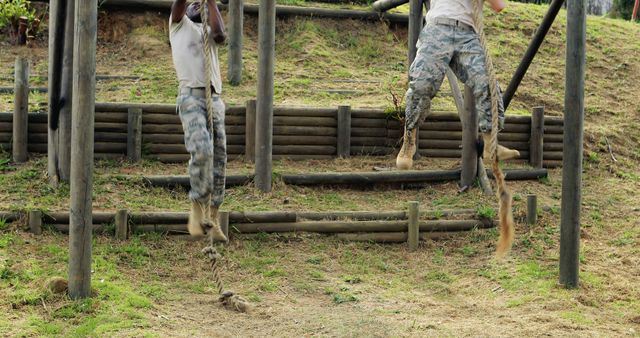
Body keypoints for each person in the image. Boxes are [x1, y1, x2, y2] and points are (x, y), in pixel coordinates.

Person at [396, 0, 520, 170]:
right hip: (437, 28)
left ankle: (491, 145)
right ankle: (409, 140)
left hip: (467, 33)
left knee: (487, 83)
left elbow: (499, 6)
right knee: (421, 84)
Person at [169, 0, 228, 241]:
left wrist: (211, 3)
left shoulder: (209, 33)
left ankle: (213, 216)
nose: (198, 5)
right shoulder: (178, 26)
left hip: (214, 99)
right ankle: (197, 206)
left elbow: (221, 35)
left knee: (220, 159)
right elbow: (179, 7)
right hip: (191, 97)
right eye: (196, 4)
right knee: (202, 150)